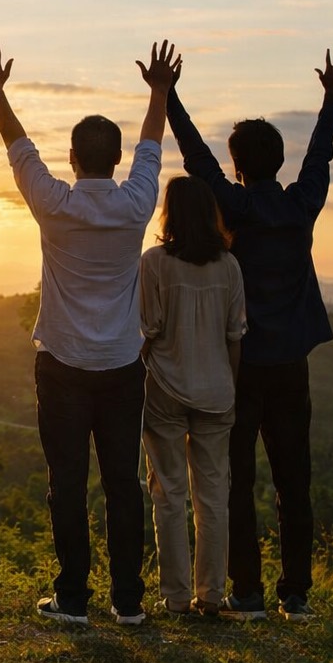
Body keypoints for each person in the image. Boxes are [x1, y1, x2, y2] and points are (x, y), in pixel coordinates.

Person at [0, 37, 181, 626]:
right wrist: (160, 92)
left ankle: (72, 600)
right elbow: (153, 146)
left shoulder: (54, 204)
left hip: (63, 365)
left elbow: (18, 149)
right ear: (116, 160)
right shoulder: (136, 203)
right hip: (121, 365)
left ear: (72, 158)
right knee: (123, 483)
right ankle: (128, 601)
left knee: (66, 482)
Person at [166, 45, 333, 621]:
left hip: (240, 366)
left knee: (236, 479)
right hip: (291, 365)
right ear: (278, 161)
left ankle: (246, 591)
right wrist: (331, 97)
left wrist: (167, 94)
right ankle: (295, 593)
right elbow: (320, 155)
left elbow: (197, 159)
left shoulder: (234, 206)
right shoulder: (300, 206)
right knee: (294, 479)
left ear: (239, 167)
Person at [140, 177, 246, 617]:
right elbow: (235, 336)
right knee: (213, 496)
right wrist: (229, 384)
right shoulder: (229, 266)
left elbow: (147, 328)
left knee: (169, 492)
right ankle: (212, 595)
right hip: (217, 390)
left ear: (170, 214)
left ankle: (177, 597)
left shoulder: (154, 263)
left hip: (165, 386)